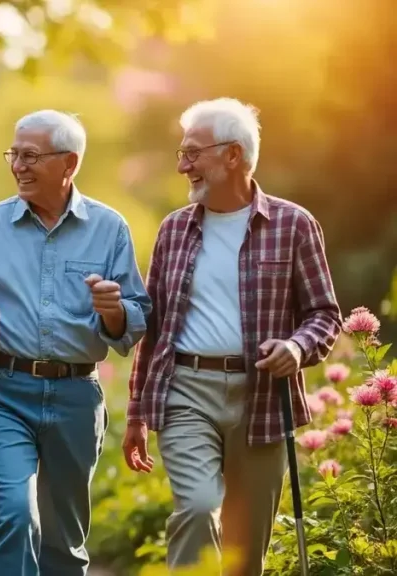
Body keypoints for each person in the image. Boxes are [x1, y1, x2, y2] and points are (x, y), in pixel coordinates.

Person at [123, 98, 342, 575]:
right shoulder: (174, 230)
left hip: (262, 397)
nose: (182, 165)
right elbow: (153, 327)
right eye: (181, 153)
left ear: (233, 155)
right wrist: (137, 414)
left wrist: (295, 347)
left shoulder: (293, 225)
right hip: (186, 391)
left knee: (245, 555)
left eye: (192, 153)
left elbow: (324, 314)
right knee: (198, 507)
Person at [0, 110, 151, 575]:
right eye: (14, 154)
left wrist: (113, 310)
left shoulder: (110, 228)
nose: (18, 166)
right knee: (15, 514)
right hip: (1, 391)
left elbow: (138, 313)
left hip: (75, 397)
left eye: (30, 156)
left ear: (69, 163)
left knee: (64, 541)